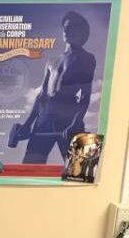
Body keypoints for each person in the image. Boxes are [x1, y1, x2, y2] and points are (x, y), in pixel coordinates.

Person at [10, 11, 96, 164]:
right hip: (44, 119)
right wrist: (27, 125)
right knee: (29, 170)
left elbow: (85, 93)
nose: (66, 31)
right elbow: (42, 94)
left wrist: (76, 121)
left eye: (71, 27)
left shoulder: (87, 58)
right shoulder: (52, 61)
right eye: (65, 27)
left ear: (82, 31)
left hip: (70, 116)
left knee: (81, 172)